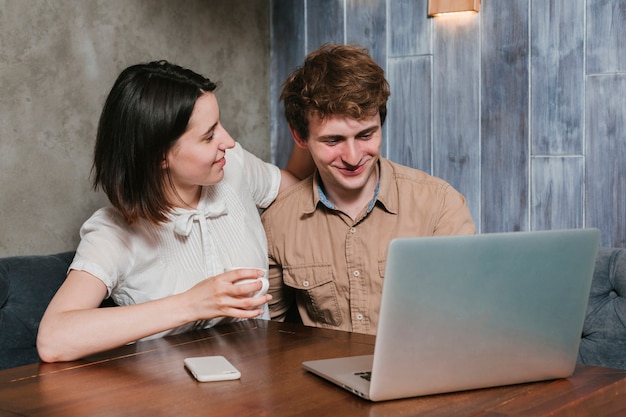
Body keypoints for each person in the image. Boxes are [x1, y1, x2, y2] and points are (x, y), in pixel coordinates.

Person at [37, 60, 311, 362]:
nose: (228, 141)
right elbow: (53, 339)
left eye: (219, 124)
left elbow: (300, 194)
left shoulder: (234, 166)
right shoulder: (114, 232)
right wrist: (192, 304)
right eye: (209, 137)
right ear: (159, 157)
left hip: (261, 392)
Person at [261, 44, 476, 335]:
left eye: (366, 134)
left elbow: (468, 320)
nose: (352, 157)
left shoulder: (440, 206)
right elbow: (265, 334)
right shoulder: (277, 223)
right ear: (300, 136)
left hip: (419, 375)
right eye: (333, 141)